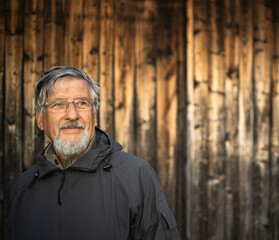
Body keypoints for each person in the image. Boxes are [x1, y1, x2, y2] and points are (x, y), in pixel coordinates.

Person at [6, 66, 180, 240]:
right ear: (40, 119)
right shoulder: (24, 188)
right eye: (59, 104)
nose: (72, 115)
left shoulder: (135, 176)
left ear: (94, 116)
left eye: (82, 103)